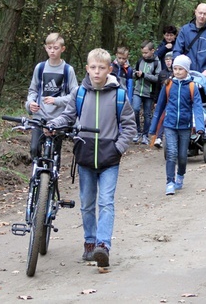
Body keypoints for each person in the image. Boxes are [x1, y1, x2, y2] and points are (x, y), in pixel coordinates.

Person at [46, 48, 136, 268]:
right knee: (87, 204)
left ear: (109, 69)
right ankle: (89, 242)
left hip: (110, 160)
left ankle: (102, 246)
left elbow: (129, 126)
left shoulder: (119, 94)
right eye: (93, 67)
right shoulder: (79, 93)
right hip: (85, 157)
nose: (97, 72)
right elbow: (68, 116)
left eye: (102, 68)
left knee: (106, 203)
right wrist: (53, 125)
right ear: (87, 68)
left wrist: (118, 148)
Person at [149, 55, 204, 195]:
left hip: (185, 126)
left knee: (182, 157)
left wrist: (200, 127)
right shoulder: (168, 85)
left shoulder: (192, 87)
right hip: (170, 124)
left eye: (181, 69)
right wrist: (153, 128)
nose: (178, 72)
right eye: (175, 68)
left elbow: (198, 107)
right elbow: (160, 106)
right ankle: (170, 182)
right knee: (171, 153)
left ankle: (180, 175)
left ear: (187, 70)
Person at [25, 33, 79, 159]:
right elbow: (33, 90)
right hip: (40, 116)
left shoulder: (68, 70)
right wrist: (30, 103)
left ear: (62, 49)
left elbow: (75, 95)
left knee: (55, 152)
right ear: (45, 48)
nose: (52, 51)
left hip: (59, 117)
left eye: (56, 48)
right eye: (50, 48)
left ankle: (53, 176)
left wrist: (57, 100)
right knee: (34, 149)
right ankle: (36, 174)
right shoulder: (40, 68)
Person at [173, 3, 206, 78]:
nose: (202, 16)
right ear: (195, 12)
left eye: (205, 14)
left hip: (205, 75)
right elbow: (177, 50)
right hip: (186, 74)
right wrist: (179, 67)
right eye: (200, 13)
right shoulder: (185, 30)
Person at [131, 41, 161, 144]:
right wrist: (135, 74)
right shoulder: (140, 61)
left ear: (152, 51)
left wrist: (144, 75)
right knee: (135, 109)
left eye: (146, 52)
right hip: (138, 90)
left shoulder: (157, 63)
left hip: (149, 93)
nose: (144, 55)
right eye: (142, 53)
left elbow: (157, 78)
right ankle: (137, 132)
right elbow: (134, 72)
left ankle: (145, 134)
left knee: (147, 114)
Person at [152, 52, 173, 148]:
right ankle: (159, 137)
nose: (168, 62)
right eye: (166, 60)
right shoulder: (162, 73)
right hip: (163, 99)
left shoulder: (177, 72)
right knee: (161, 118)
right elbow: (157, 88)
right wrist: (156, 101)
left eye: (170, 60)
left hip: (172, 99)